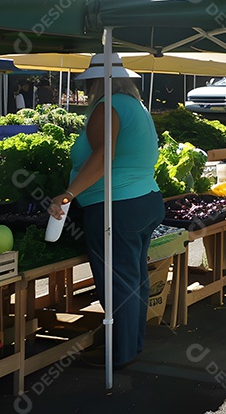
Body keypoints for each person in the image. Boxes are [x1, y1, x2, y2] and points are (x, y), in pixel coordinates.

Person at [47, 53, 162, 368]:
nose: (86, 91)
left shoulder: (107, 105)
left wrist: (69, 194)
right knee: (134, 279)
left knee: (118, 283)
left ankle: (119, 354)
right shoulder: (133, 104)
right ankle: (131, 345)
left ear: (100, 81)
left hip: (117, 207)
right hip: (143, 201)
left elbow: (103, 155)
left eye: (88, 84)